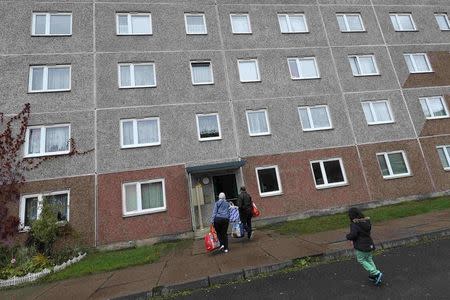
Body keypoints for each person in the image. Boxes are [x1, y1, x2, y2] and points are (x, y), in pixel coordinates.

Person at [346, 207, 383, 286]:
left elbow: (353, 234)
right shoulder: (366, 221)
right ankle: (374, 275)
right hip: (369, 245)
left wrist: (348, 236)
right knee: (369, 259)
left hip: (361, 246)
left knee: (361, 260)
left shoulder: (354, 224)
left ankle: (376, 273)